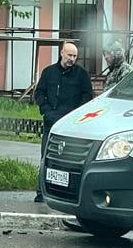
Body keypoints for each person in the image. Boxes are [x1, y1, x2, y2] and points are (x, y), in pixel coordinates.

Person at [34, 41, 93, 202]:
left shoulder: (81, 75)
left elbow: (87, 96)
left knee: (69, 160)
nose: (72, 59)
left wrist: (76, 115)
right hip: (51, 123)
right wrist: (46, 111)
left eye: (75, 56)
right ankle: (41, 192)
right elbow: (39, 93)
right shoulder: (49, 72)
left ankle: (64, 193)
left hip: (72, 125)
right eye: (69, 55)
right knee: (46, 157)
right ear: (62, 53)